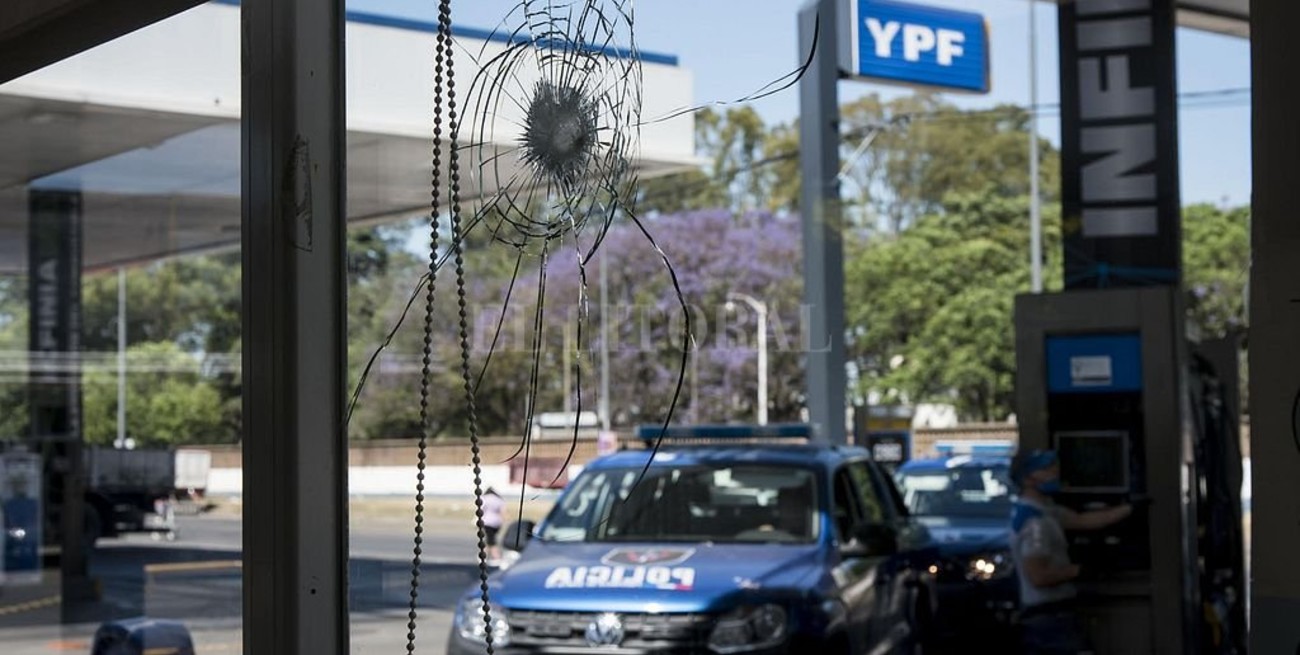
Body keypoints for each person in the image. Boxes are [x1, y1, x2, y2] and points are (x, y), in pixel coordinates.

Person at [1009, 449, 1133, 655]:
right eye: (1046, 469)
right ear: (1028, 478)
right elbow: (1038, 576)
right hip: (1048, 620)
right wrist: (1078, 570)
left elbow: (1082, 520)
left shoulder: (1045, 510)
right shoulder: (1034, 522)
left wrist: (1129, 508)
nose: (1055, 473)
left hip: (1057, 616)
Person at [480, 487, 505, 565]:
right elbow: (503, 511)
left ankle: (496, 556)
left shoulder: (484, 498)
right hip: (497, 522)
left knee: (491, 540)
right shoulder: (499, 500)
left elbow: (480, 510)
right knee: (490, 538)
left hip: (487, 521)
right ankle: (484, 555)